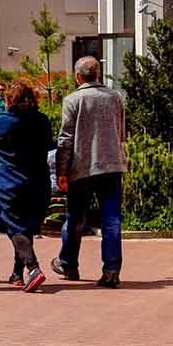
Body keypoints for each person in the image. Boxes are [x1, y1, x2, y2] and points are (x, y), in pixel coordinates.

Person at [54, 56, 127, 288]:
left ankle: (68, 263)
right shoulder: (115, 97)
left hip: (82, 167)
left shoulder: (73, 100)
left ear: (78, 77)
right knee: (112, 219)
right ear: (98, 74)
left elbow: (65, 139)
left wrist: (61, 170)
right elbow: (122, 131)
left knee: (75, 217)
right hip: (112, 165)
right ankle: (111, 269)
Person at [0, 81, 55, 291]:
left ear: (10, 100)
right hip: (38, 182)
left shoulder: (4, 121)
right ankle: (16, 273)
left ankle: (33, 268)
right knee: (26, 227)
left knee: (14, 226)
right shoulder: (42, 121)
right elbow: (50, 144)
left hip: (9, 182)